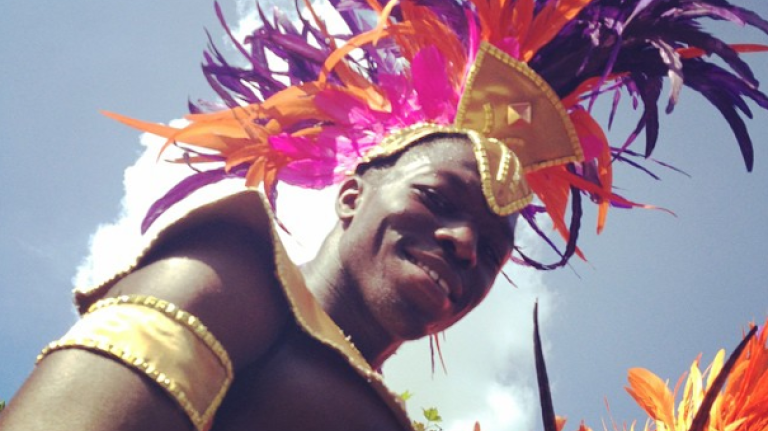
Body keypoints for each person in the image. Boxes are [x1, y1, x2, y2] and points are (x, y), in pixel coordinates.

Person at [2, 0, 767, 430]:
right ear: (350, 193)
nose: (465, 243)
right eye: (437, 200)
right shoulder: (227, 276)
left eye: (493, 247)